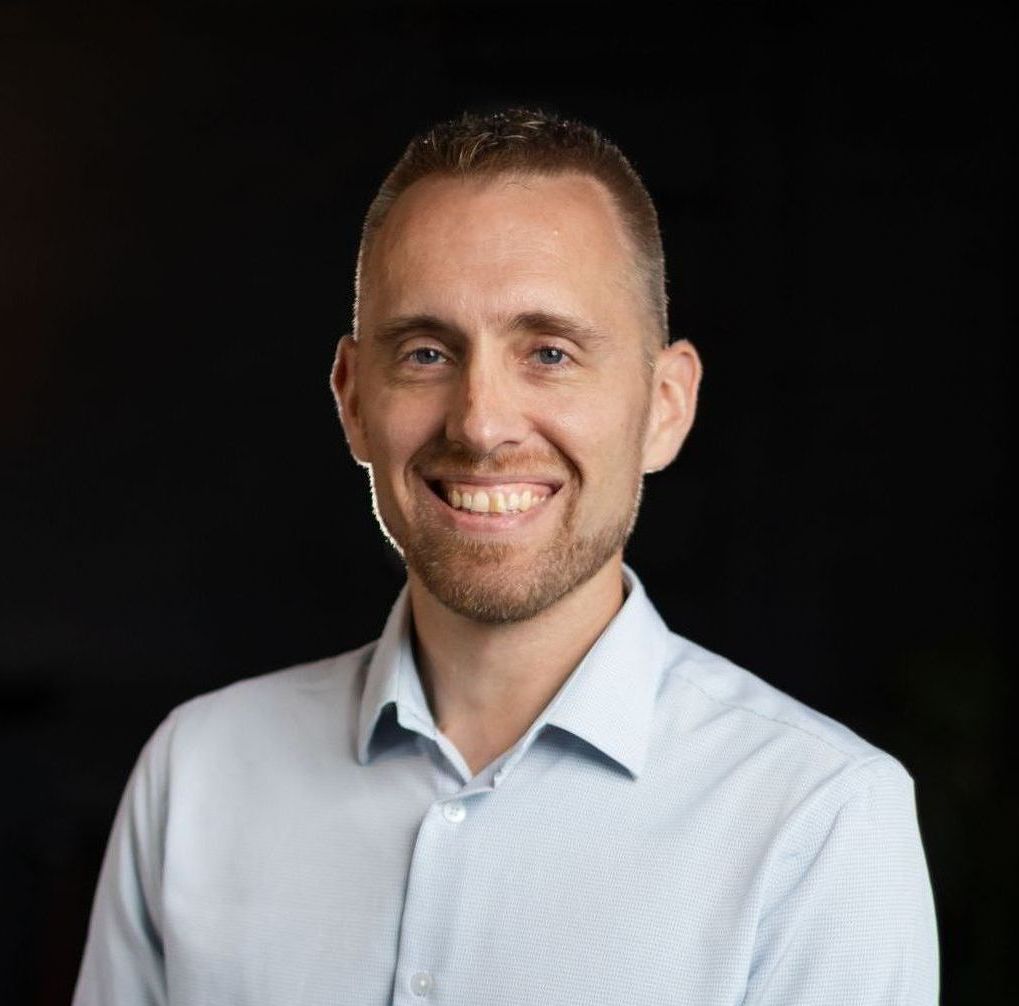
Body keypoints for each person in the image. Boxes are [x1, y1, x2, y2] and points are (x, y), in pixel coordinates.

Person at [73, 109, 939, 1005]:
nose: (480, 424)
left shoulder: (818, 820)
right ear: (351, 399)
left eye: (550, 352)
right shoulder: (198, 773)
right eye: (424, 352)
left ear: (666, 405)